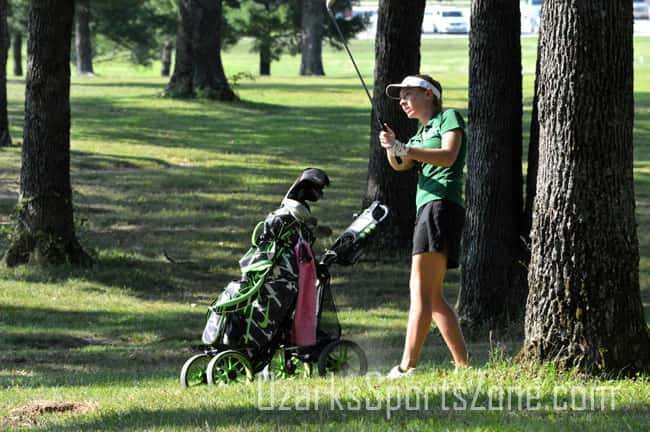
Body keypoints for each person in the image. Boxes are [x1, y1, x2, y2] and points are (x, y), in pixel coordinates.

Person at [380, 74, 469, 378]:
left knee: (420, 291)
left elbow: (448, 156)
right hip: (430, 210)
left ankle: (407, 367)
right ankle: (463, 367)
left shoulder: (448, 118)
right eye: (400, 96)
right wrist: (393, 147)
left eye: (407, 94)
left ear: (428, 94)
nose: (402, 101)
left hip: (440, 206)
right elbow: (401, 165)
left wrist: (404, 148)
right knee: (432, 296)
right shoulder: (419, 135)